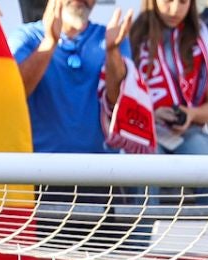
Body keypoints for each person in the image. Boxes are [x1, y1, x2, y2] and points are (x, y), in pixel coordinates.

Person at [15, 0, 132, 155]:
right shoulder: (26, 36)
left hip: (101, 165)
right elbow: (14, 94)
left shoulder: (113, 38)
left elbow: (119, 101)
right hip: (41, 163)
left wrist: (112, 52)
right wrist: (49, 43)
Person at [131, 0, 208, 156]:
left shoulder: (204, 40)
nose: (175, 9)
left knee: (199, 152)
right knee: (146, 156)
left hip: (190, 134)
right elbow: (115, 104)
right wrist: (151, 115)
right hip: (143, 131)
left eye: (183, 2)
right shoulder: (132, 38)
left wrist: (191, 114)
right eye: (168, 0)